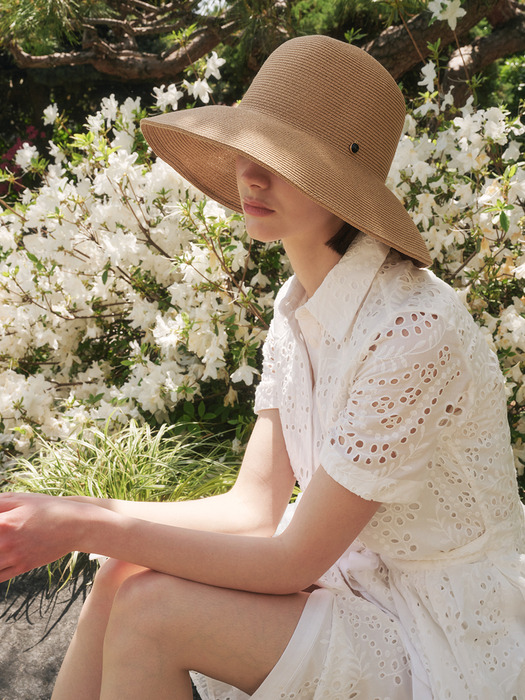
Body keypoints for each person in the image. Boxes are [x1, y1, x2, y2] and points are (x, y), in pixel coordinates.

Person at [0, 34, 524, 700]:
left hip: (443, 633)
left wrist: (78, 525)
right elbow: (251, 509)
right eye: (249, 150)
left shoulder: (412, 325)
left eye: (282, 159)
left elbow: (291, 560)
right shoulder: (296, 308)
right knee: (120, 573)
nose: (251, 175)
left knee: (152, 614)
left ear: (342, 181)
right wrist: (69, 509)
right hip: (355, 593)